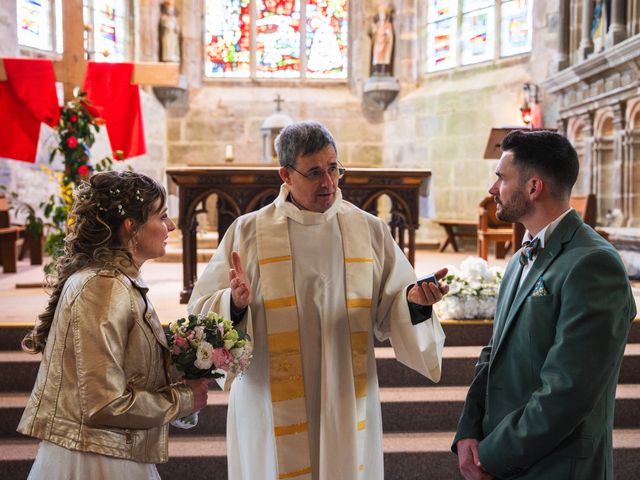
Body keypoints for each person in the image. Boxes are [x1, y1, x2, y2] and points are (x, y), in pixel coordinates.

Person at [189, 121, 447, 480]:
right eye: (314, 172)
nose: (328, 182)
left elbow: (393, 304)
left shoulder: (368, 229)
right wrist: (233, 304)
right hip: (269, 394)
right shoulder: (248, 232)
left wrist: (416, 302)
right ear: (285, 175)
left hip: (345, 390)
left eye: (333, 168)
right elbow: (200, 312)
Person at [452, 130, 636, 479]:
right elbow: (493, 355)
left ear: (534, 187)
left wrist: (491, 455)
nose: (493, 190)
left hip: (557, 466)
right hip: (507, 456)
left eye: (501, 179)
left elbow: (568, 391)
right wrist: (469, 432)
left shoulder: (593, 264)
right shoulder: (520, 256)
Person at [17, 171, 209, 479]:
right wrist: (182, 399)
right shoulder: (102, 287)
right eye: (162, 217)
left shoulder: (116, 280)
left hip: (111, 447)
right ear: (131, 226)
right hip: (97, 458)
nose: (171, 226)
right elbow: (103, 403)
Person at [370, 4, 395, 75]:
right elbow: (373, 33)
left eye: (383, 15)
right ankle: (377, 70)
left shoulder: (388, 25)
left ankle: (384, 71)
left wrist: (387, 33)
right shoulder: (377, 25)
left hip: (385, 43)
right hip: (378, 43)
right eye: (381, 15)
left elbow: (390, 34)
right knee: (377, 56)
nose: (382, 16)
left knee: (385, 57)